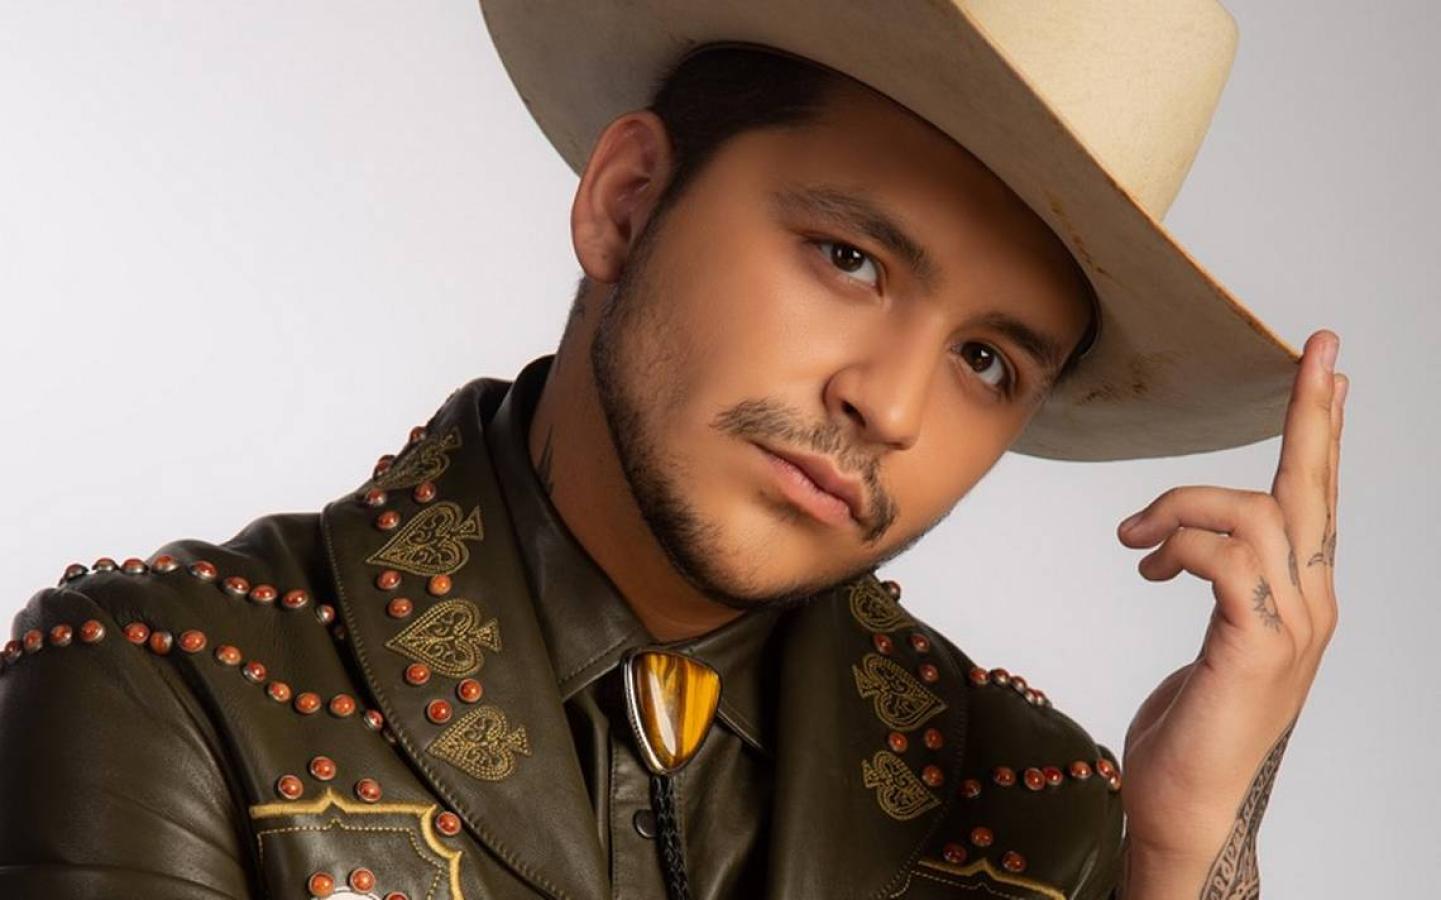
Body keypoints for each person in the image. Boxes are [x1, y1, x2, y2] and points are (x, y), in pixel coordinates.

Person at [0, 3, 1348, 899]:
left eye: (987, 362)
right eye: (849, 259)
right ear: (627, 200)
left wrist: (1184, 858)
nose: (889, 407)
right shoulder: (168, 691)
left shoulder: (1040, 816)